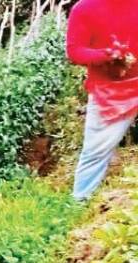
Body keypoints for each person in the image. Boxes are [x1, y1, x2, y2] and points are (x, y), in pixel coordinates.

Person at [67, 0, 138, 201]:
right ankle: (79, 203)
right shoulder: (84, 9)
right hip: (110, 91)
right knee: (95, 152)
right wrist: (106, 55)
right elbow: (74, 51)